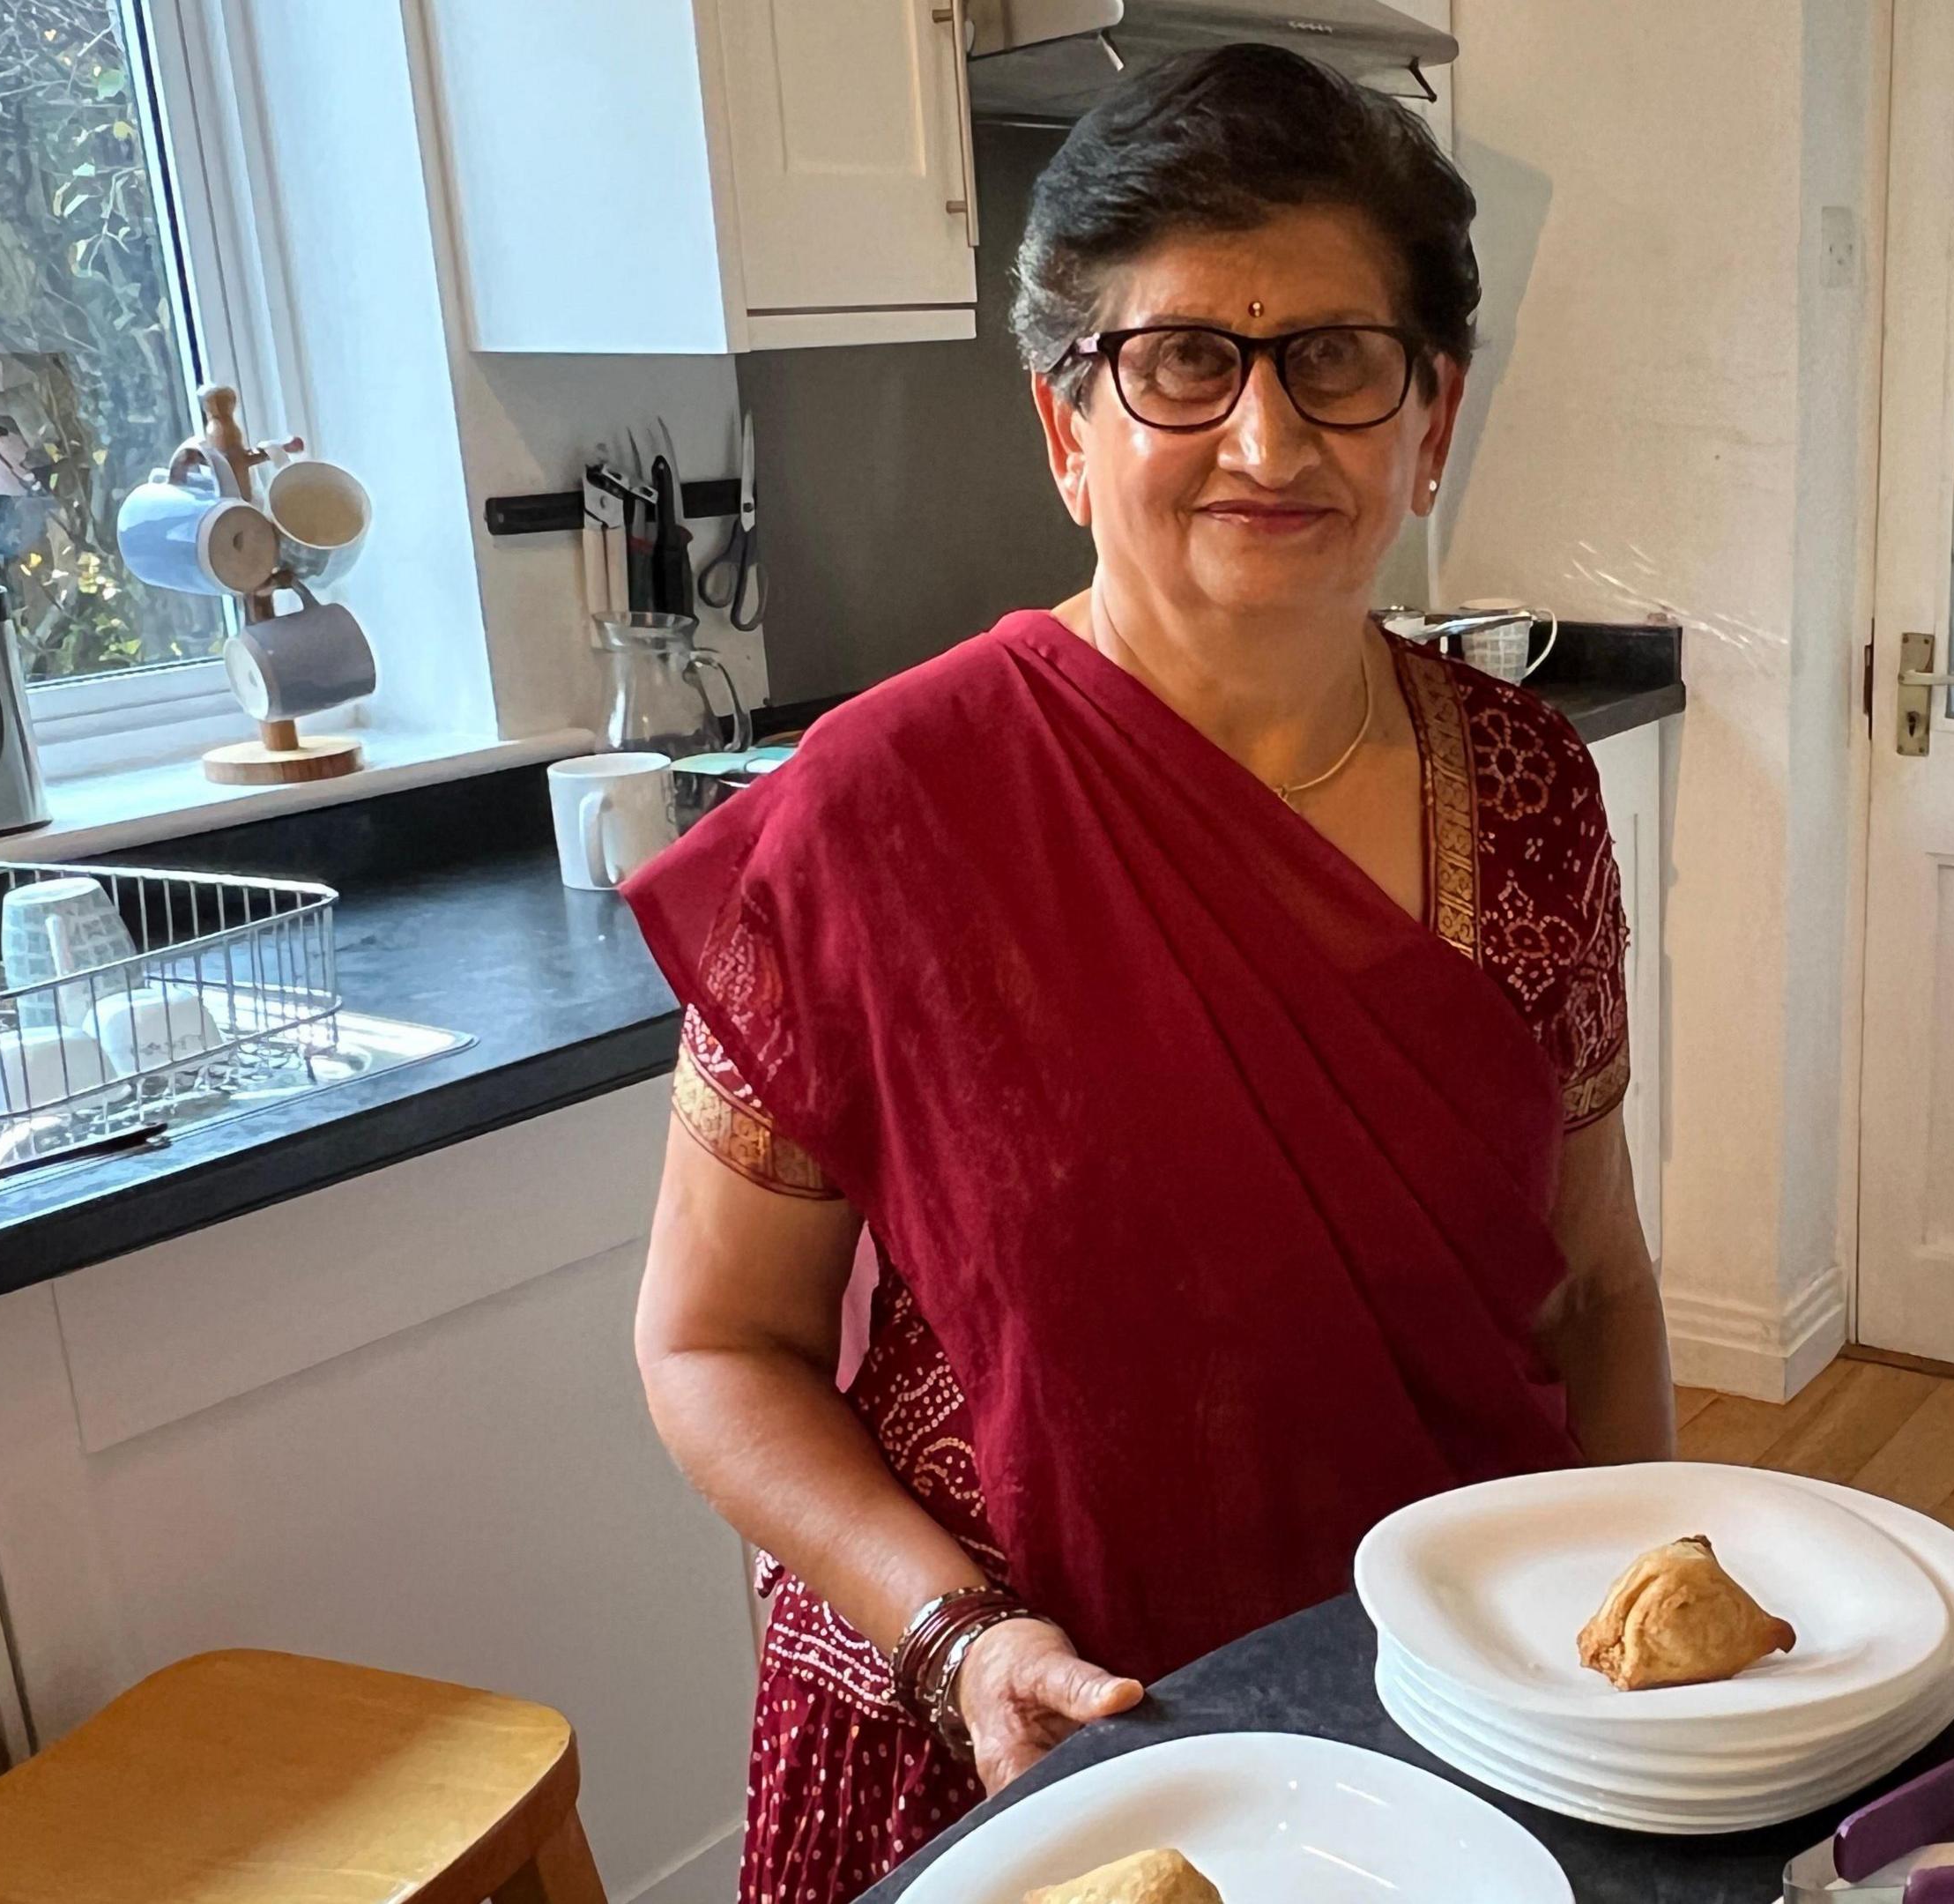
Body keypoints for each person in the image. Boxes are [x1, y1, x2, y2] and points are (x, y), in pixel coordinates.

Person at [625, 42, 1673, 1903]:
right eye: (1185, 360)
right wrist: (954, 1641)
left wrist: (1627, 1675)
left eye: (1338, 362)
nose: (1267, 443)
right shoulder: (871, 815)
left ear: (1429, 423)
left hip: (1441, 1720)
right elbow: (713, 1343)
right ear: (1065, 429)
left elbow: (1593, 1292)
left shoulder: (1527, 797)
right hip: (1034, 1754)